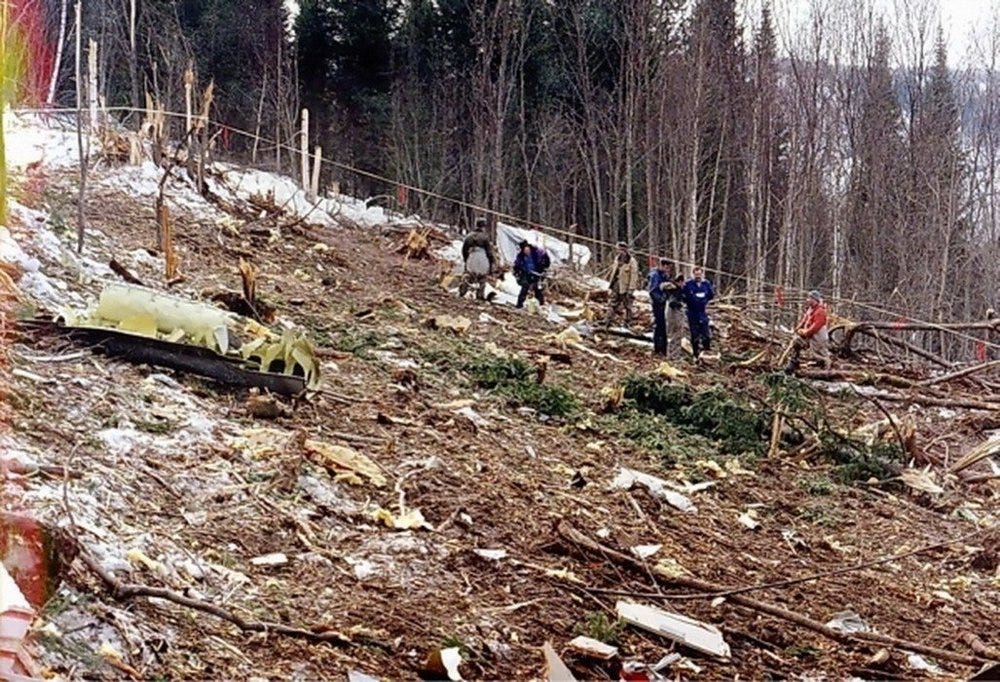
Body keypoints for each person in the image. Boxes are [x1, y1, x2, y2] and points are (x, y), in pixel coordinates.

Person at [785, 290, 832, 373]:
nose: (807, 300)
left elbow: (816, 326)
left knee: (819, 353)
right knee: (797, 343)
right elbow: (804, 321)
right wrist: (797, 329)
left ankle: (826, 369)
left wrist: (806, 332)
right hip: (811, 334)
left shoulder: (820, 311)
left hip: (818, 336)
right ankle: (794, 361)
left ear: (815, 300)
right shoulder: (810, 309)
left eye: (809, 298)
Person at [603, 242, 641, 327]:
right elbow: (614, 272)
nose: (618, 252)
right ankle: (607, 320)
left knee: (627, 306)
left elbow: (634, 276)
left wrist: (631, 289)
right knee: (613, 303)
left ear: (624, 250)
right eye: (618, 250)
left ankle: (627, 323)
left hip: (626, 287)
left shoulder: (631, 261)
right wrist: (611, 284)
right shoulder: (617, 259)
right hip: (616, 284)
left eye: (620, 250)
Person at [458, 217, 496, 300]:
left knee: (469, 275)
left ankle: (462, 291)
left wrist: (466, 259)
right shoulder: (485, 237)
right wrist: (492, 261)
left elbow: (464, 250)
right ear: (484, 226)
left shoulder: (469, 236)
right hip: (482, 258)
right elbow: (489, 252)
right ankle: (480, 295)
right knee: (482, 277)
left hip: (471, 256)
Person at [682, 266, 715, 360]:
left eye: (699, 274)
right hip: (692, 312)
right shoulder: (688, 284)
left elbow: (710, 295)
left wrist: (703, 300)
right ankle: (695, 354)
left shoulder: (706, 284)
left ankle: (707, 353)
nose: (698, 276)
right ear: (693, 274)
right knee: (694, 335)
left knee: (706, 334)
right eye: (696, 274)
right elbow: (684, 296)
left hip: (702, 312)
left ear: (702, 274)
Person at [647, 259, 678, 356]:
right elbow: (652, 291)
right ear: (662, 265)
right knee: (659, 326)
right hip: (658, 304)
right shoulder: (655, 275)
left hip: (664, 303)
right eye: (667, 267)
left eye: (669, 267)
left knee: (663, 327)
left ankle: (663, 350)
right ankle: (657, 349)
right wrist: (661, 300)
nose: (668, 269)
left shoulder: (664, 275)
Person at [513, 239, 550, 308]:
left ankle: (541, 304)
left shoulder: (537, 251)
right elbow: (516, 265)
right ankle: (519, 305)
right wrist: (517, 271)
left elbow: (546, 257)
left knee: (537, 288)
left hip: (538, 272)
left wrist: (544, 267)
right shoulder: (521, 256)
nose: (527, 252)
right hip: (527, 273)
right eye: (525, 250)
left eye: (527, 250)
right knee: (525, 287)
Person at [666, 273, 686, 357]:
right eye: (683, 282)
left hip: (673, 314)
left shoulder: (674, 290)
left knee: (674, 334)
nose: (684, 285)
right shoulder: (675, 290)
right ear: (680, 282)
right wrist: (681, 304)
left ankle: (672, 353)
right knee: (676, 334)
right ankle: (674, 355)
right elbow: (672, 303)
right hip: (674, 314)